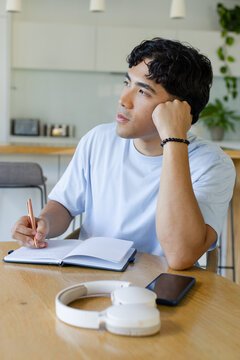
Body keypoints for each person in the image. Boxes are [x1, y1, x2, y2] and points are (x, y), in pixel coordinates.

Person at [12, 37, 235, 270]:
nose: (123, 100)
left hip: (160, 288)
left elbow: (181, 255)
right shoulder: (98, 140)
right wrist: (43, 222)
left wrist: (174, 140)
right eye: (127, 83)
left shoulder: (212, 164)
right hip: (91, 276)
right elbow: (64, 206)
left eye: (143, 92)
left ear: (178, 109)